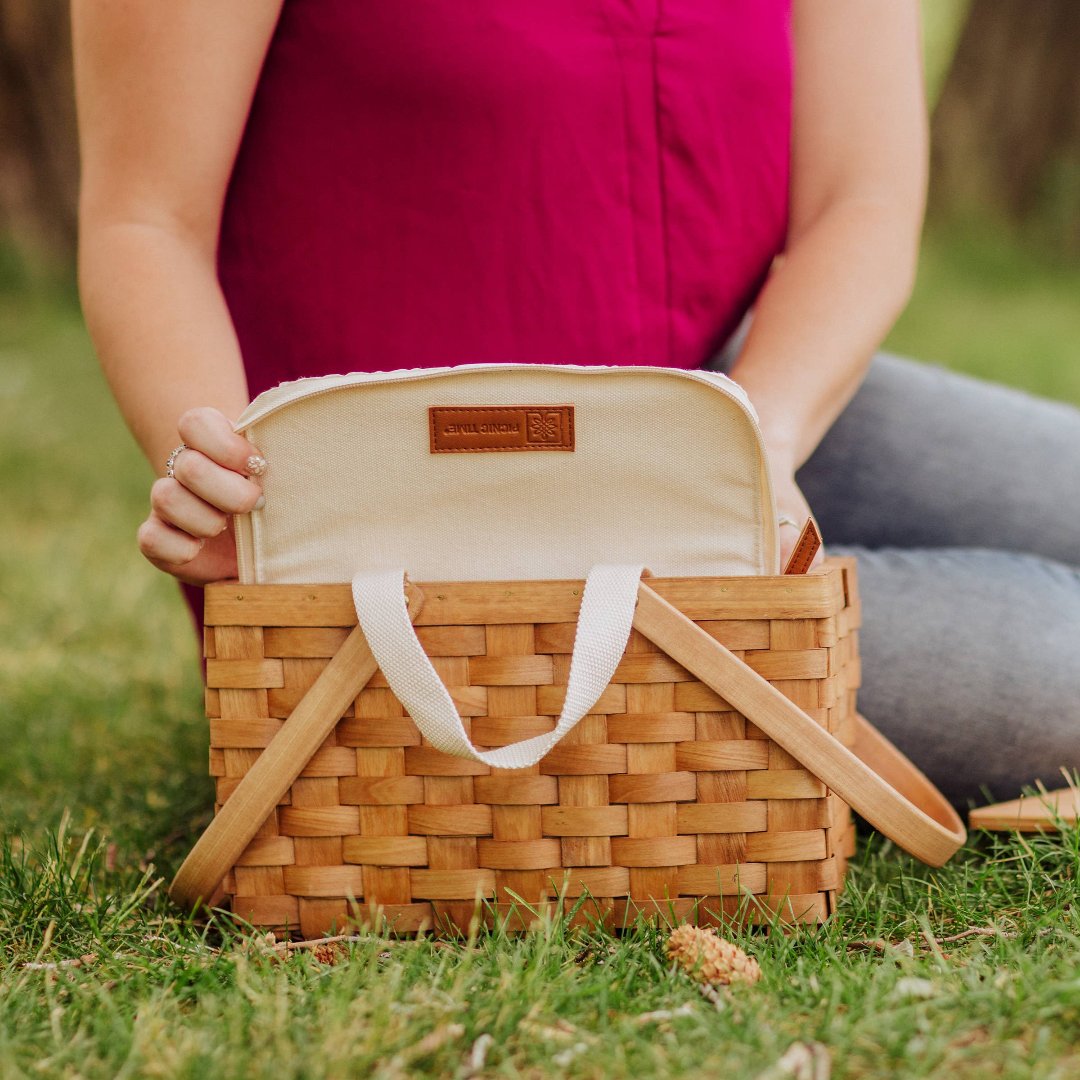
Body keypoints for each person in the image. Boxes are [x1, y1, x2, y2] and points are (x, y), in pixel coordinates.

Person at [72, 0, 1079, 804]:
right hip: (418, 519)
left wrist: (750, 452)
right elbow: (145, 219)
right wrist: (240, 504)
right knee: (1054, 665)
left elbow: (857, 202)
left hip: (726, 396)